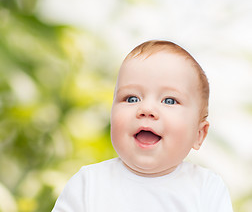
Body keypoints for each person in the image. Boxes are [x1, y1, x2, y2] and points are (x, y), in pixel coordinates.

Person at [52, 40, 233, 212]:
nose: (146, 109)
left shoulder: (206, 188)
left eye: (169, 100)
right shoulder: (89, 183)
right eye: (132, 98)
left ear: (198, 134)